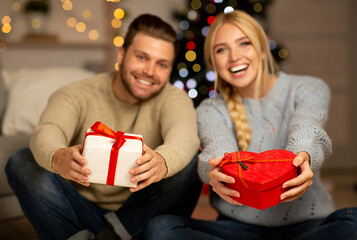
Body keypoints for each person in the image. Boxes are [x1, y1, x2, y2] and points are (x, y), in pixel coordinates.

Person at [144, 10, 357, 240]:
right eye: (221, 49)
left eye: (244, 43)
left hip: (307, 228)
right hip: (236, 230)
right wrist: (213, 171)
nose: (234, 56)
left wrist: (302, 156)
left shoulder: (308, 88)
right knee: (162, 228)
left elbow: (307, 128)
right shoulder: (210, 109)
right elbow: (217, 149)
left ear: (263, 50)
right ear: (213, 62)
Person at [5, 14, 202, 240]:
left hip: (143, 212)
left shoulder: (174, 99)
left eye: (162, 64)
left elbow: (185, 137)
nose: (149, 70)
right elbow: (48, 131)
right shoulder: (76, 93)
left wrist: (162, 162)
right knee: (21, 161)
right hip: (81, 212)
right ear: (121, 54)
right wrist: (59, 156)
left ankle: (111, 235)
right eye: (141, 57)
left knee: (191, 162)